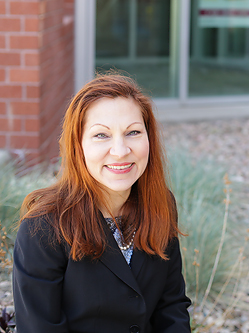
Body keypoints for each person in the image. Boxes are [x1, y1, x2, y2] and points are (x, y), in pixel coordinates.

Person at [13, 74, 191, 332]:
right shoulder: (43, 227)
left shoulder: (160, 204)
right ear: (78, 145)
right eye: (101, 135)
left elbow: (171, 307)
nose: (120, 150)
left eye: (133, 132)